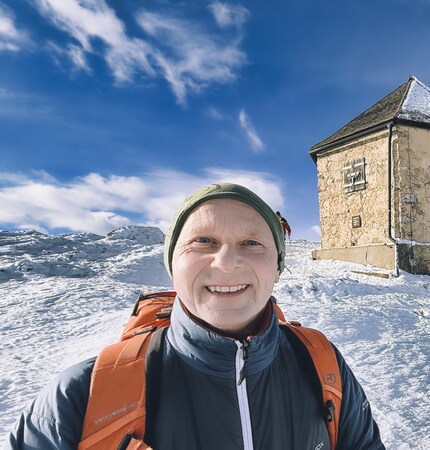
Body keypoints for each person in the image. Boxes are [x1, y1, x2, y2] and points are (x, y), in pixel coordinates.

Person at [5, 182, 384, 450]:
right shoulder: (83, 396)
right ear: (173, 266)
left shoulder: (323, 365)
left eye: (251, 242)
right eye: (203, 242)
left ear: (278, 268)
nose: (226, 262)